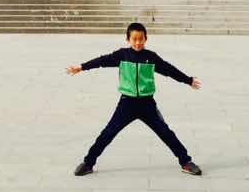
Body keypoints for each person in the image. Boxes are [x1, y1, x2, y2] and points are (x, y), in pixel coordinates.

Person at [68, 22, 203, 176]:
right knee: (108, 133)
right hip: (127, 103)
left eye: (141, 39)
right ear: (128, 39)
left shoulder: (151, 57)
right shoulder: (122, 55)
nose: (138, 42)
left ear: (146, 39)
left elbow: (168, 69)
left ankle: (186, 162)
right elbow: (102, 61)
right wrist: (82, 67)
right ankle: (88, 163)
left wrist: (188, 80)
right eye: (134, 39)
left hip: (147, 104)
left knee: (165, 133)